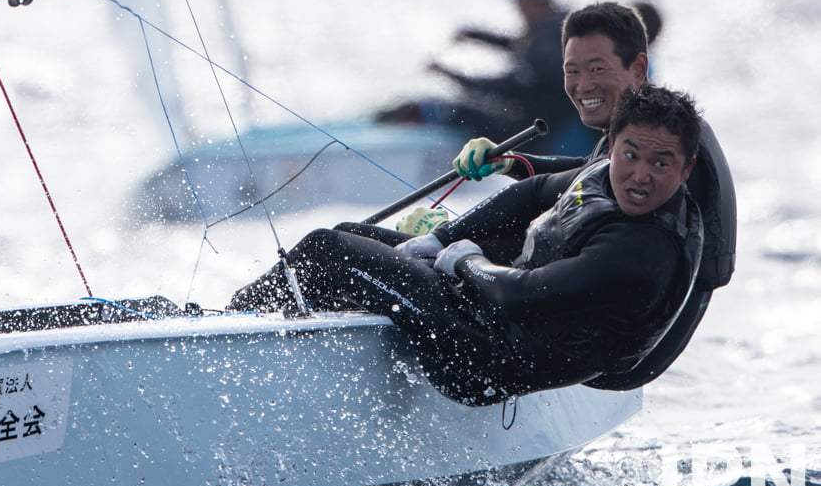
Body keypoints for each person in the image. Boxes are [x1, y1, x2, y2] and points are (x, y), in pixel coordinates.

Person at [228, 85, 706, 407]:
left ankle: (233, 331)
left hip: (482, 362)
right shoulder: (603, 172)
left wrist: (463, 258)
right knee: (354, 233)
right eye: (630, 154)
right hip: (481, 313)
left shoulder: (641, 252)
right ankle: (282, 340)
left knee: (328, 251)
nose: (640, 174)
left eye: (661, 163)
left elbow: (516, 295)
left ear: (686, 169)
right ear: (613, 144)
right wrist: (440, 238)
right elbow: (533, 192)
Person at [443, 0, 736, 390]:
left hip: (623, 355)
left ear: (638, 69)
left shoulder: (666, 147)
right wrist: (509, 162)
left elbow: (635, 261)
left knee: (468, 252)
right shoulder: (647, 128)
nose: (583, 86)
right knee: (459, 244)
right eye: (573, 71)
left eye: (598, 70)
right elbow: (584, 175)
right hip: (605, 314)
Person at [377, 0, 585, 147]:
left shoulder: (546, 46)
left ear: (534, 1)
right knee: (455, 106)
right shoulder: (559, 29)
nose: (518, 10)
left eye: (520, 4)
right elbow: (518, 47)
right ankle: (383, 119)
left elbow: (499, 87)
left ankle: (391, 129)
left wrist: (448, 74)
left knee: (440, 109)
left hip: (531, 135)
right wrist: (474, 35)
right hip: (538, 122)